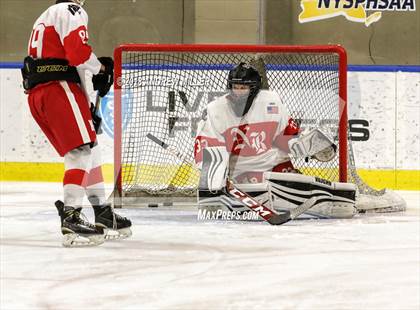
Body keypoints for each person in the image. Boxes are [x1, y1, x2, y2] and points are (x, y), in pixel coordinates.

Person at [22, 0, 131, 247]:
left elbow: (66, 58)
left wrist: (89, 93)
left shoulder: (46, 15)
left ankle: (101, 211)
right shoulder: (72, 10)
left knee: (90, 146)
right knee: (80, 150)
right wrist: (101, 67)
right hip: (58, 89)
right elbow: (77, 52)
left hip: (45, 91)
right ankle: (71, 215)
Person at [194, 62, 356, 219]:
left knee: (329, 196)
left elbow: (287, 137)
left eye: (243, 88)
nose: (238, 92)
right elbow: (206, 148)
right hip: (241, 174)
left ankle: (322, 197)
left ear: (254, 89)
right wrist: (217, 178)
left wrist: (309, 147)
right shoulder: (215, 109)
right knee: (216, 187)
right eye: (235, 87)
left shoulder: (270, 102)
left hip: (276, 169)